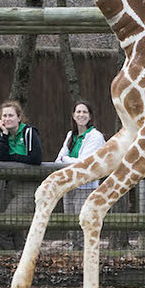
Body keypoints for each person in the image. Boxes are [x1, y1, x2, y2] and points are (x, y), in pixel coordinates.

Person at [55, 101, 105, 249]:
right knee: (71, 225)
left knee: (84, 223)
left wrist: (66, 159)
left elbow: (84, 163)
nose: (81, 115)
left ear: (90, 116)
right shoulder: (71, 135)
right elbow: (57, 160)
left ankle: (86, 255)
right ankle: (76, 254)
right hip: (69, 185)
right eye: (78, 112)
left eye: (84, 112)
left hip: (86, 187)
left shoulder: (95, 136)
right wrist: (66, 160)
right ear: (73, 115)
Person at [0, 100, 42, 250]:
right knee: (13, 230)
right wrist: (4, 135)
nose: (7, 118)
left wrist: (14, 157)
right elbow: (2, 158)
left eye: (11, 115)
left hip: (27, 185)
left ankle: (12, 262)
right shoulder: (4, 135)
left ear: (19, 117)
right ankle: (16, 264)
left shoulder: (29, 132)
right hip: (9, 185)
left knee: (6, 225)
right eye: (4, 116)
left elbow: (35, 158)